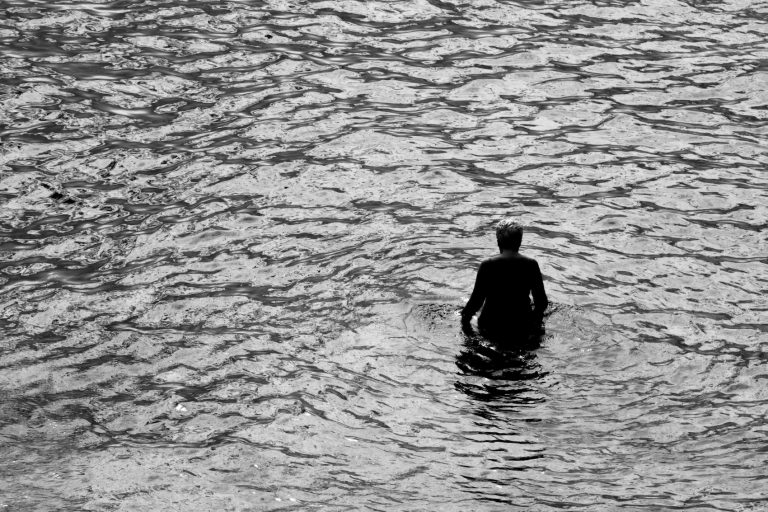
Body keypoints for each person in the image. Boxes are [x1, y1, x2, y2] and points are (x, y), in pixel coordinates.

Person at [461, 219, 548, 342]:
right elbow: (541, 303)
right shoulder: (531, 264)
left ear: (498, 242)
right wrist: (535, 324)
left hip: (491, 325)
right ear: (520, 241)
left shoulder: (488, 265)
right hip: (521, 325)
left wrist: (463, 317)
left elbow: (476, 301)